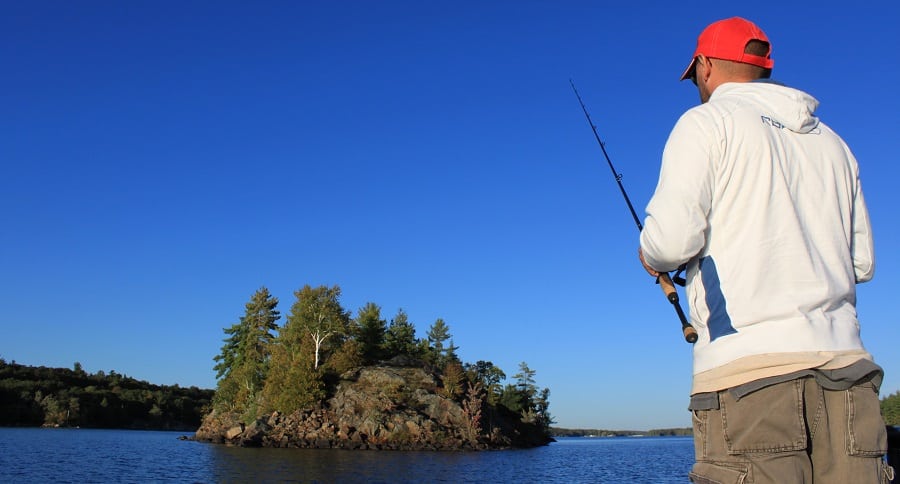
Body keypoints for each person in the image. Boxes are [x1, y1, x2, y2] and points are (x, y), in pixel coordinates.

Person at [637, 17, 893, 483]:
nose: (696, 82)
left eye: (694, 72)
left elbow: (671, 241)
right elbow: (862, 264)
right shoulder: (835, 144)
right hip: (849, 376)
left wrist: (651, 258)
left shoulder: (705, 122)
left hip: (750, 380)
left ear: (706, 65)